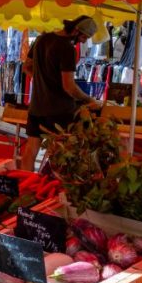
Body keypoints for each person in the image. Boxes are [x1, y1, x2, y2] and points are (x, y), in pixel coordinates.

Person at [20, 16, 103, 171]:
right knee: (60, 155)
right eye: (84, 37)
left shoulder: (41, 39)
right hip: (59, 111)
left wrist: (43, 80)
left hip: (36, 108)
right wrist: (89, 99)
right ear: (76, 30)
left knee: (30, 150)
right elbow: (69, 87)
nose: (84, 42)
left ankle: (25, 187)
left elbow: (26, 68)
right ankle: (55, 191)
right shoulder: (67, 49)